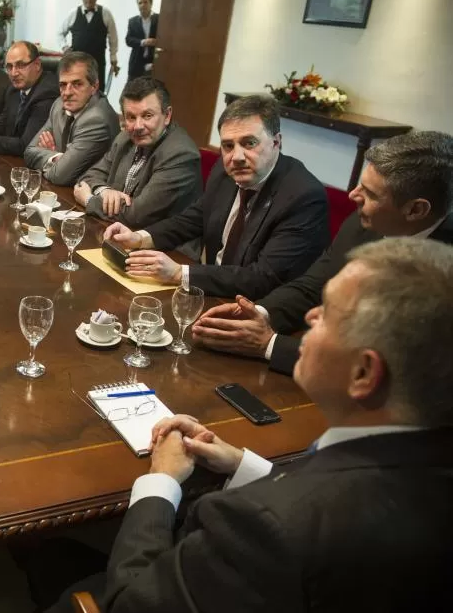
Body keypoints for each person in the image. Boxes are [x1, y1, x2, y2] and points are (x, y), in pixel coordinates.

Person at [35, 237, 453, 613]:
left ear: (364, 374)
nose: (309, 316)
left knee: (53, 568)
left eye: (328, 315)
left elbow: (131, 603)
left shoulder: (262, 526)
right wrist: (240, 464)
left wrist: (161, 480)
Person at [193, 130, 453, 374]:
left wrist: (269, 345)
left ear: (416, 210)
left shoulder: (444, 274)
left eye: (371, 194)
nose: (353, 195)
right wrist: (257, 314)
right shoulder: (363, 221)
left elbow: (395, 364)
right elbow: (313, 285)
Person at [102, 95, 329, 299]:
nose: (237, 156)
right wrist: (140, 238)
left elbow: (263, 277)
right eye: (228, 145)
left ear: (276, 142)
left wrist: (179, 273)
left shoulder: (303, 197)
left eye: (249, 143)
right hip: (209, 291)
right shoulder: (224, 170)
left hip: (253, 308)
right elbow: (194, 218)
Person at [73, 77, 201, 227]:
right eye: (131, 117)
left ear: (167, 116)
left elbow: (135, 216)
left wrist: (89, 200)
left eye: (147, 116)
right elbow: (89, 176)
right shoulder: (125, 138)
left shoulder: (180, 155)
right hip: (116, 230)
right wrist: (105, 191)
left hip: (163, 246)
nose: (138, 126)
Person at [24, 51, 120, 186]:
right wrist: (56, 157)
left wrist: (53, 158)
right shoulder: (59, 105)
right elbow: (29, 152)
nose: (67, 92)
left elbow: (59, 176)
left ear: (94, 86)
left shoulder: (96, 120)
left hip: (95, 197)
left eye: (77, 84)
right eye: (63, 85)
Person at [59, 0, 120, 82]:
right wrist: (64, 47)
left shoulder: (105, 13)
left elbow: (113, 37)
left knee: (97, 90)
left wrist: (113, 56)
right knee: (77, 87)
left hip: (98, 61)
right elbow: (60, 33)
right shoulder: (73, 13)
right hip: (77, 61)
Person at [125, 0, 159, 80]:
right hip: (136, 63)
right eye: (140, 3)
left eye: (145, 2)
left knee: (151, 92)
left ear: (151, 4)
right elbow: (128, 40)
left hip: (154, 62)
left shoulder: (159, 19)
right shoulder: (132, 21)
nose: (142, 5)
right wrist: (143, 42)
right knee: (132, 91)